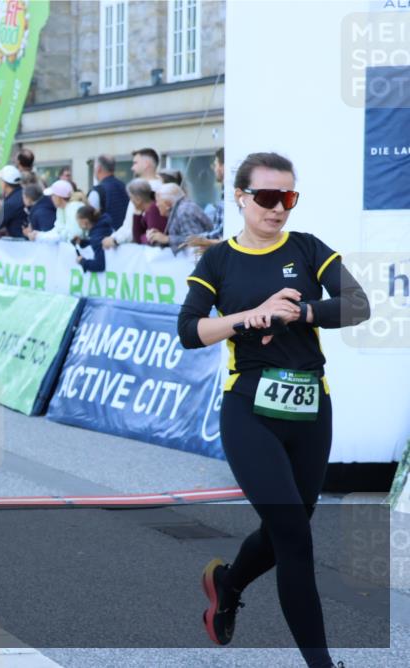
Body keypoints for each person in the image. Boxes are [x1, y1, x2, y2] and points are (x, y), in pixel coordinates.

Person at [178, 152, 370, 668]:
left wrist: (301, 312)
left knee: (292, 524)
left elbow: (357, 304)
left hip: (310, 409)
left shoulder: (307, 250)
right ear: (240, 197)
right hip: (249, 410)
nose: (279, 207)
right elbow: (189, 331)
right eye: (267, 197)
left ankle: (228, 582)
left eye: (289, 197)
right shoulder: (219, 260)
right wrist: (250, 317)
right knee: (294, 537)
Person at [104, 147, 161, 249]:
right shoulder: (163, 187)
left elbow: (131, 226)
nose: (132, 168)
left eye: (135, 163)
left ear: (147, 164)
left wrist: (115, 239)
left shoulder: (143, 190)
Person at [148, 184, 212, 254]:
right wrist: (160, 237)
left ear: (168, 204)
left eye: (157, 201)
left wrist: (167, 239)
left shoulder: (183, 211)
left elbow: (196, 240)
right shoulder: (181, 208)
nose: (156, 204)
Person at [188, 147, 227, 252]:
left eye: (215, 164)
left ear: (223, 167)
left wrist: (195, 240)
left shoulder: (230, 194)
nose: (213, 169)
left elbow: (221, 232)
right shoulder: (225, 192)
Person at [88, 154, 130, 226]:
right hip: (125, 234)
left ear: (98, 168)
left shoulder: (97, 192)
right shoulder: (125, 187)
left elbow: (90, 220)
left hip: (105, 235)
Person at [0, 164, 26, 238]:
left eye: (0, 180)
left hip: (20, 244)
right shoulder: (23, 193)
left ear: (4, 183)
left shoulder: (11, 203)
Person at [74, 205, 114, 273]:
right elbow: (99, 242)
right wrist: (82, 242)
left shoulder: (97, 236)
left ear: (84, 222)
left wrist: (83, 261)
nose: (77, 223)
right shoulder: (103, 227)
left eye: (77, 220)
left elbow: (100, 265)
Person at [127, 178, 166, 244]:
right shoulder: (148, 210)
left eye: (131, 197)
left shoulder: (154, 210)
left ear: (138, 199)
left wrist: (144, 237)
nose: (131, 201)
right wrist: (137, 215)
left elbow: (153, 239)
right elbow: (138, 238)